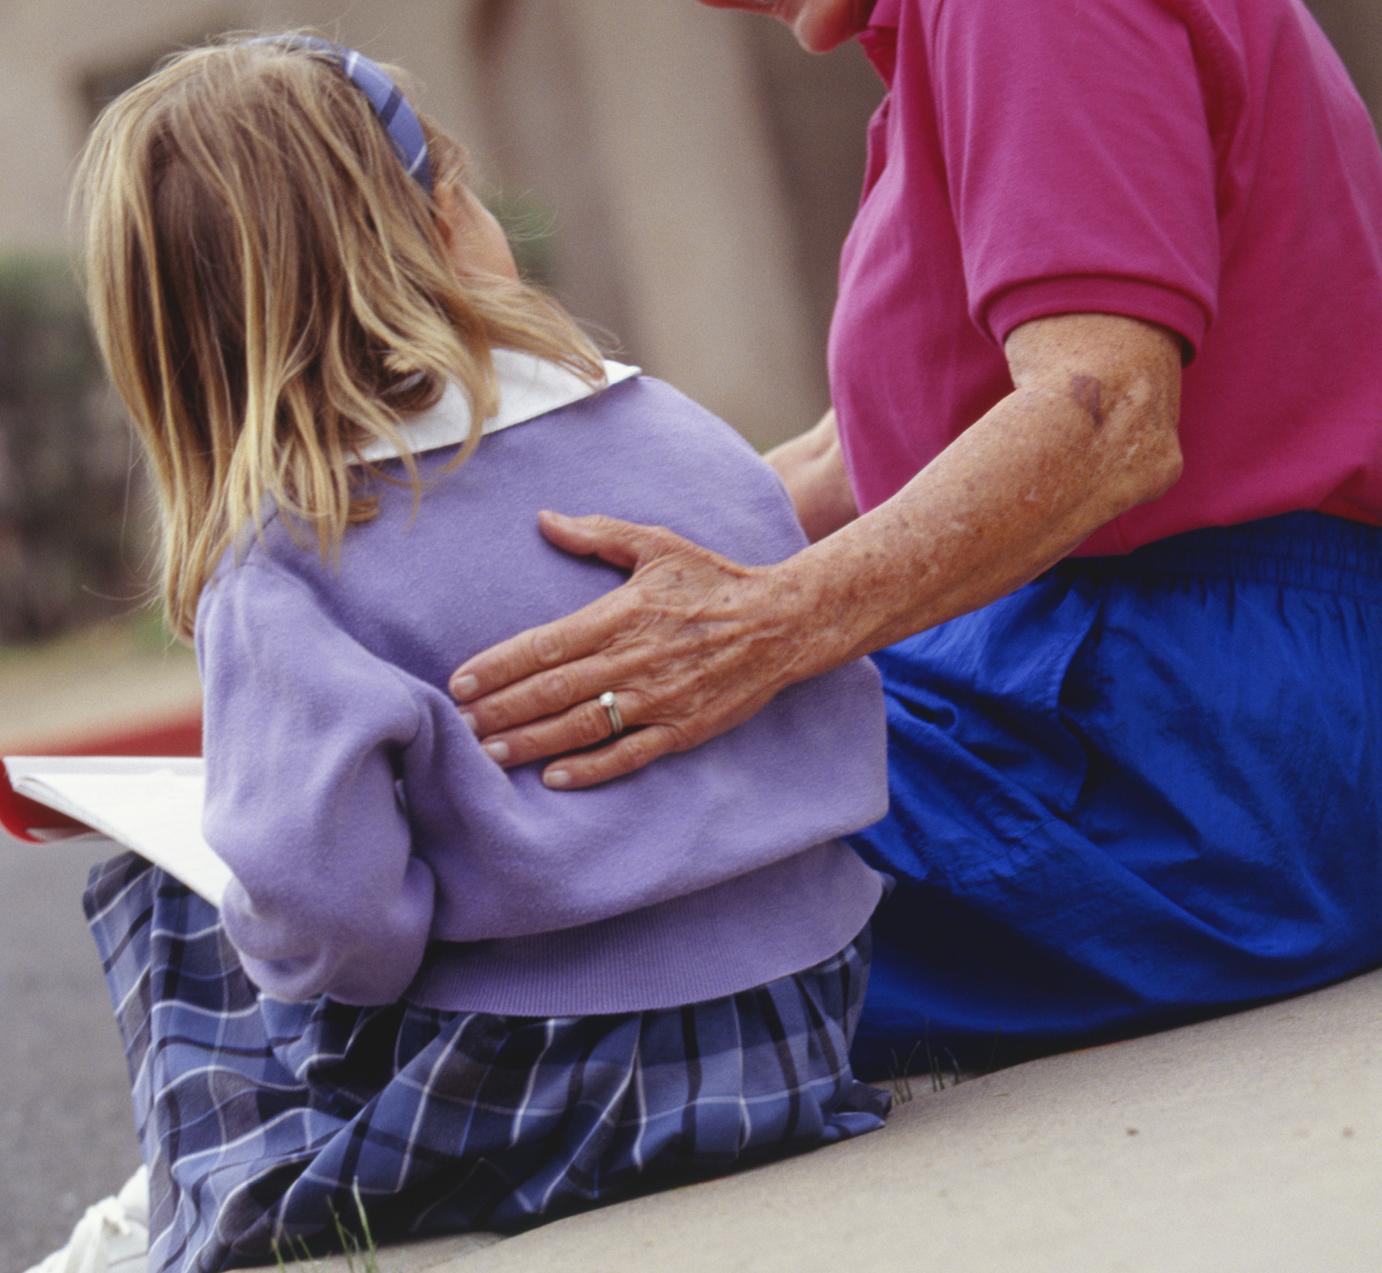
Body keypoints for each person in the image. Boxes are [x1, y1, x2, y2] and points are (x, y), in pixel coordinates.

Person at [57, 34, 891, 1273]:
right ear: (442, 215)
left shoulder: (289, 557)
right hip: (804, 1020)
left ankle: (207, 1195)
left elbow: (334, 921)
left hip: (564, 1088)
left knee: (173, 901)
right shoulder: (674, 424)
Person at [446, 0, 1382, 1075]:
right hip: (1130, 676)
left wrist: (764, 626)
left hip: (1194, 738)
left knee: (520, 871)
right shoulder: (949, 47)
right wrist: (486, 604)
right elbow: (848, 461)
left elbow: (1108, 417)